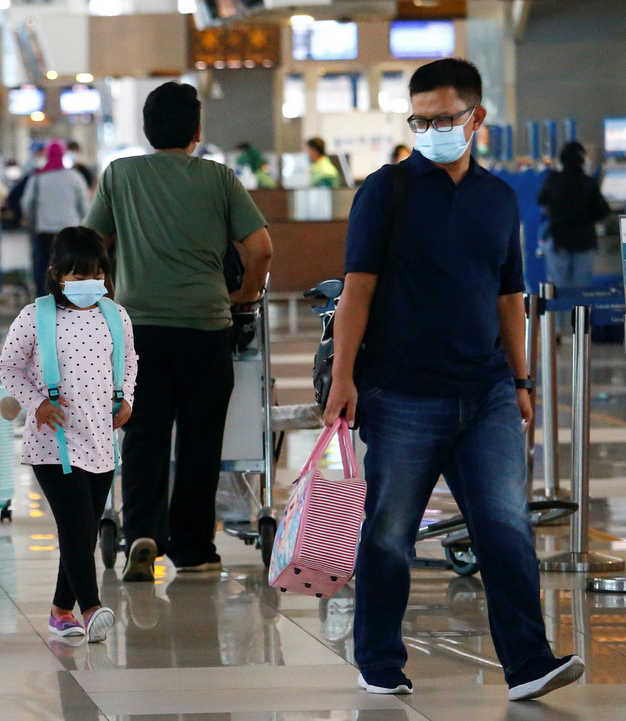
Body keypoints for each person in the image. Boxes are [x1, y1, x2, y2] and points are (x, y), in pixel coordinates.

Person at [322, 58, 584, 701]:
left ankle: (528, 662)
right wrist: (343, 379)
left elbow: (509, 298)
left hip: (487, 389)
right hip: (402, 392)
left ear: (477, 118)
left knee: (505, 525)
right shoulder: (386, 191)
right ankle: (379, 658)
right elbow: (356, 290)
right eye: (422, 120)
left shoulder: (498, 199)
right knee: (389, 531)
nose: (433, 129)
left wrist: (521, 381)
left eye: (445, 118)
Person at [83, 82, 272, 582]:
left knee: (142, 434)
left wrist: (107, 291)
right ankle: (193, 548)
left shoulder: (119, 176)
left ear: (146, 130)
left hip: (138, 329)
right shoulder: (220, 179)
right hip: (206, 328)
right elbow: (261, 249)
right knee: (200, 438)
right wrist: (244, 297)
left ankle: (142, 533)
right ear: (197, 130)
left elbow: (92, 244)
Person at [0, 226, 138, 644]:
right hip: (51, 444)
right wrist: (37, 402)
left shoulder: (116, 316)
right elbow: (10, 367)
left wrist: (126, 397)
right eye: (77, 278)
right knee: (75, 525)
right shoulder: (35, 316)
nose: (87, 285)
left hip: (101, 441)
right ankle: (92, 608)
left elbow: (129, 359)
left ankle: (62, 611)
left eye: (95, 276)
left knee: (85, 530)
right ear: (57, 275)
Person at [538, 141, 610, 289]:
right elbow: (603, 210)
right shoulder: (589, 183)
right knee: (581, 290)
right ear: (582, 160)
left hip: (559, 239)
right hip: (584, 240)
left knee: (558, 289)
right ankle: (579, 312)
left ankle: (560, 313)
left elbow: (541, 200)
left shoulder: (553, 181)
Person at [23, 141, 90, 296]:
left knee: (44, 270)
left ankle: (44, 304)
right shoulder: (75, 177)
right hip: (71, 232)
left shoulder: (38, 178)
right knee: (70, 270)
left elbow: (27, 204)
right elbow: (85, 206)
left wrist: (31, 224)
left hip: (44, 232)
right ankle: (70, 303)